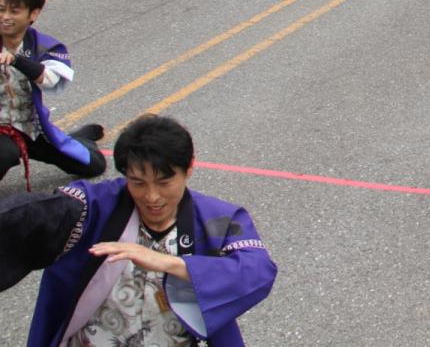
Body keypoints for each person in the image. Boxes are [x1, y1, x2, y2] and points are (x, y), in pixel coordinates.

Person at [0, 114, 277, 347]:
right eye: (138, 183)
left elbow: (258, 270)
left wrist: (174, 263)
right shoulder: (96, 206)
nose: (152, 197)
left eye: (164, 182)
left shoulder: (218, 219)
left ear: (189, 167)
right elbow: (32, 216)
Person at [0, 0, 106, 190]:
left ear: (33, 14)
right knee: (4, 152)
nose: (5, 17)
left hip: (31, 128)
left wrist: (17, 60)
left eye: (14, 11)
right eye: (1, 9)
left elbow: (52, 80)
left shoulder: (43, 46)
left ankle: (79, 140)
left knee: (94, 166)